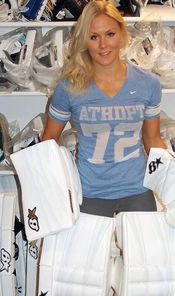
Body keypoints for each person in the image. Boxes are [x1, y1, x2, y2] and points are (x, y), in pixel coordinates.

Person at [42, 0, 166, 217]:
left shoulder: (148, 84)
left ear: (121, 34)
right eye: (93, 37)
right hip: (90, 193)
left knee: (144, 252)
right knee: (84, 252)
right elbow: (49, 141)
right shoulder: (69, 87)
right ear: (84, 41)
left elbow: (153, 140)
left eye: (109, 34)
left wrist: (170, 178)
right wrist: (57, 185)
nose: (103, 45)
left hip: (138, 190)